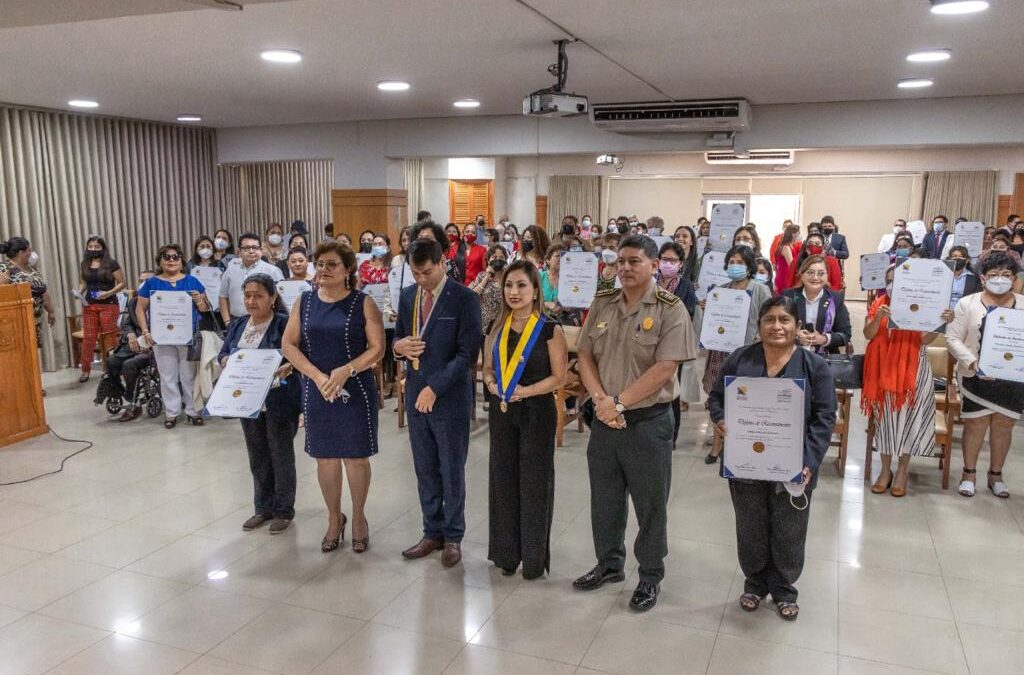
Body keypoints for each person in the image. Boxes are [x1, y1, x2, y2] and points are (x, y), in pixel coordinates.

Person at [571, 234, 695, 612]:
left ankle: (650, 575)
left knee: (650, 504)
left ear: (655, 265)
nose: (624, 267)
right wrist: (600, 401)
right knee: (604, 500)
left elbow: (664, 368)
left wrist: (619, 403)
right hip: (605, 418)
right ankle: (609, 564)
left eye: (634, 261)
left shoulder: (670, 309)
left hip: (647, 422)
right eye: (620, 261)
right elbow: (585, 353)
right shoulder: (603, 301)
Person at [708, 295, 837, 622]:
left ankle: (783, 588)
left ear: (797, 326)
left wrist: (806, 463)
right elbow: (716, 397)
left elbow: (824, 417)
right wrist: (721, 419)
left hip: (795, 467)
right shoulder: (740, 359)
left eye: (785, 320)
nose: (777, 326)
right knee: (750, 524)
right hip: (746, 463)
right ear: (759, 324)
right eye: (770, 319)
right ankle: (754, 582)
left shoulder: (814, 366)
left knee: (789, 527)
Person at [282, 241, 384, 551]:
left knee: (355, 457)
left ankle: (358, 517)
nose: (323, 270)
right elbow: (289, 345)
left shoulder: (363, 303)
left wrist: (346, 371)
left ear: (348, 269)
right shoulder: (305, 301)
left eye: (331, 265)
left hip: (354, 389)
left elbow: (377, 348)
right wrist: (316, 375)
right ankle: (332, 518)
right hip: (317, 389)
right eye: (320, 264)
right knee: (325, 458)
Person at [393, 238, 482, 567]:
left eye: (426, 272)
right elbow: (397, 338)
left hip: (450, 397)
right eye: (415, 273)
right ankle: (431, 530)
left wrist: (436, 387)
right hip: (416, 393)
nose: (421, 279)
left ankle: (453, 535)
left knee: (451, 468)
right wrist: (399, 346)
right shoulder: (407, 297)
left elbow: (467, 354)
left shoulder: (464, 298)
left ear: (442, 263)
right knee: (425, 467)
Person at [483, 259, 567, 579]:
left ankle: (533, 558)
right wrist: (492, 385)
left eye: (521, 285)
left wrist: (526, 391)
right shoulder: (495, 327)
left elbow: (559, 378)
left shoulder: (549, 329)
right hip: (502, 410)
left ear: (535, 291)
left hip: (536, 411)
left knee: (534, 483)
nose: (514, 292)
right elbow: (489, 370)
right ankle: (506, 554)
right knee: (502, 479)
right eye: (508, 285)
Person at [220, 274, 302, 533]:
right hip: (247, 402)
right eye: (247, 296)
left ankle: (283, 510)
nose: (251, 301)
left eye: (258, 295)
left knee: (281, 455)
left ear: (272, 298)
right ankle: (263, 507)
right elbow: (225, 352)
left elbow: (301, 355)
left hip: (279, 400)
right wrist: (225, 362)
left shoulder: (284, 324)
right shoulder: (239, 324)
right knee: (257, 456)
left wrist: (289, 367)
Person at [862, 265, 949, 497]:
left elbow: (925, 340)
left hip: (913, 369)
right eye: (890, 279)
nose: (893, 284)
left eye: (898, 280)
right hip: (883, 368)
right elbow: (868, 334)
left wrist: (939, 322)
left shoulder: (919, 304)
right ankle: (884, 470)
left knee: (908, 419)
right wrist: (879, 316)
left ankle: (902, 470)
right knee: (885, 420)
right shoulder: (879, 302)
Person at [946, 252, 1024, 498]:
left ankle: (996, 475)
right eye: (993, 275)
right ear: (982, 278)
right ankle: (969, 473)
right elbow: (952, 338)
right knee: (975, 424)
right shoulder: (967, 303)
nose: (1000, 279)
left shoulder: (1022, 305)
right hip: (975, 376)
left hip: (1013, 378)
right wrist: (972, 361)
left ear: (1014, 279)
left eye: (1006, 275)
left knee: (1004, 425)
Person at [702, 245, 773, 464]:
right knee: (718, 398)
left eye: (740, 262)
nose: (735, 266)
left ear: (750, 266)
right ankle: (716, 446)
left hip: (749, 354)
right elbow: (711, 324)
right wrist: (708, 310)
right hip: (720, 353)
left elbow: (769, 317)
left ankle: (744, 443)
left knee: (746, 400)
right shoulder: (720, 290)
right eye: (731, 262)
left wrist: (759, 339)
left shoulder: (760, 290)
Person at [135, 244, 210, 429]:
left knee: (188, 376)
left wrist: (199, 300)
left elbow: (206, 308)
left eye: (175, 257)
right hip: (161, 338)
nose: (171, 260)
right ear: (160, 261)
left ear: (181, 260)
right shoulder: (151, 283)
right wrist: (146, 332)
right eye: (166, 257)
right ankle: (171, 412)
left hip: (187, 337)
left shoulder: (192, 281)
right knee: (168, 376)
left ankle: (193, 411)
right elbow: (139, 309)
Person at [105, 270, 154, 422]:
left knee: (129, 365)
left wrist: (149, 342)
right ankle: (125, 394)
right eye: (141, 280)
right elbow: (127, 324)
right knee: (111, 361)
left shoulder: (161, 301)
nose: (143, 283)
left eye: (147, 280)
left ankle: (133, 403)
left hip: (151, 348)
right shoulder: (134, 302)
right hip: (133, 344)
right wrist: (131, 335)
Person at [658, 242, 698, 428]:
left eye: (672, 260)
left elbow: (689, 312)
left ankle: (672, 432)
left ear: (680, 264)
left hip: (674, 342)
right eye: (664, 259)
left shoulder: (686, 286)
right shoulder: (651, 282)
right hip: (649, 340)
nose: (668, 264)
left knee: (672, 387)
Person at [77, 235, 126, 382]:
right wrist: (78, 292)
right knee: (89, 338)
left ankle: (111, 368)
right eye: (90, 246)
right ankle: (85, 370)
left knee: (109, 338)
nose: (93, 249)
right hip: (89, 305)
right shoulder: (84, 263)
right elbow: (84, 283)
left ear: (102, 248)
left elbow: (122, 283)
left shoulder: (111, 263)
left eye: (96, 247)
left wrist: (108, 293)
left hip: (108, 305)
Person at [782, 255, 852, 355]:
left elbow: (845, 334)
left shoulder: (835, 299)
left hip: (825, 358)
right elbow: (778, 327)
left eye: (821, 273)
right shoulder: (788, 296)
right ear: (801, 275)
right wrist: (795, 335)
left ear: (827, 276)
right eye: (810, 272)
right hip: (792, 355)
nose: (815, 277)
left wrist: (823, 339)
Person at [0, 237, 56, 343]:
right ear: (21, 252)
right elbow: (2, 294)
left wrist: (51, 311)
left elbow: (43, 291)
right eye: (29, 250)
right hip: (16, 323)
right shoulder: (5, 268)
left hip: (34, 321)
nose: (31, 253)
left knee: (33, 355)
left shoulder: (32, 269)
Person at [218, 232, 283, 323]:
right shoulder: (230, 270)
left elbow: (280, 300)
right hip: (235, 321)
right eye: (247, 248)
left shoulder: (272, 271)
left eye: (255, 248)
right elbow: (223, 296)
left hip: (264, 322)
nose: (251, 251)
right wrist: (227, 322)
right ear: (239, 251)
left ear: (261, 250)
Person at [469, 244, 508, 333]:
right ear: (488, 259)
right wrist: (487, 277)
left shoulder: (509, 277)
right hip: (484, 325)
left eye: (501, 257)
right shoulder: (481, 276)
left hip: (503, 324)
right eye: (494, 257)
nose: (498, 259)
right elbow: (473, 296)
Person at [772, 223, 803, 294]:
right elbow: (791, 264)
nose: (799, 236)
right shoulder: (786, 247)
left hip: (788, 275)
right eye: (798, 234)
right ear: (792, 234)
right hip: (785, 276)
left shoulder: (791, 246)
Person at [461, 221, 488, 285]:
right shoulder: (455, 249)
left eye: (473, 232)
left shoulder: (482, 250)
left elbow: (484, 270)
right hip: (458, 285)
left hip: (475, 285)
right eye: (467, 232)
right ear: (463, 233)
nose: (470, 234)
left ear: (476, 235)